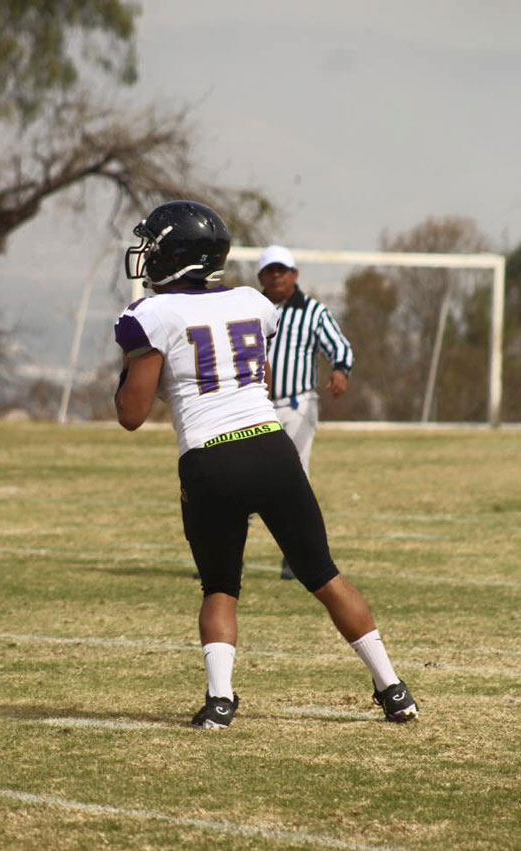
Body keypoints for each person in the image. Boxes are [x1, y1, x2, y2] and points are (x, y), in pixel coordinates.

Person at [114, 200, 418, 730]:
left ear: (173, 257)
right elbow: (262, 381)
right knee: (323, 574)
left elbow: (131, 414)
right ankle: (393, 690)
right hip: (271, 445)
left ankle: (221, 702)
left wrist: (141, 378)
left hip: (211, 457)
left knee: (220, 585)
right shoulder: (253, 302)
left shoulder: (151, 316)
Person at [258, 245, 354, 579]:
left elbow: (339, 346)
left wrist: (340, 370)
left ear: (295, 275)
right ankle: (225, 558)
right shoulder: (251, 309)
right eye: (270, 271)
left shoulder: (313, 311)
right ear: (261, 276)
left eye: (282, 270)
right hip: (256, 405)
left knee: (295, 478)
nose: (276, 276)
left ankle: (296, 558)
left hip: (297, 403)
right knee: (241, 479)